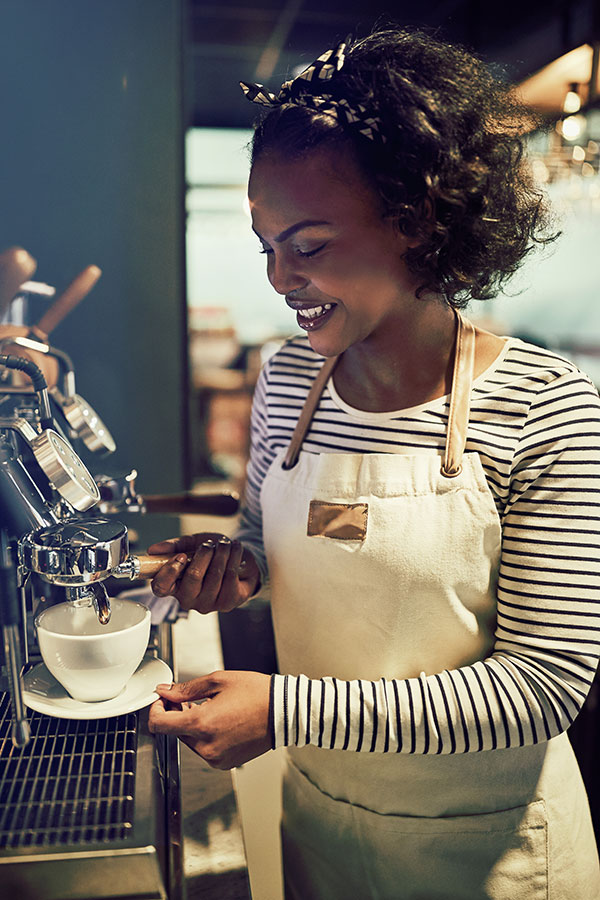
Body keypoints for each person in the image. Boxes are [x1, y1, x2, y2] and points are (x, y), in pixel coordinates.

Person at [147, 27, 600, 899]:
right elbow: (263, 544)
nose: (280, 278)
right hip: (323, 821)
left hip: (487, 859)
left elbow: (544, 687)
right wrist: (231, 569)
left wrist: (283, 710)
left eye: (308, 245)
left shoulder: (545, 406)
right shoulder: (285, 381)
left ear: (421, 220)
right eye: (266, 245)